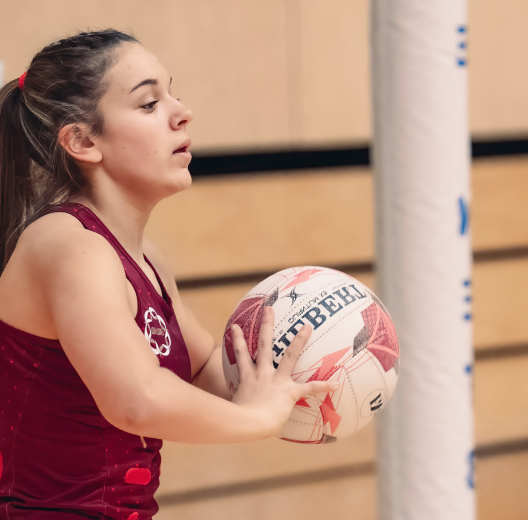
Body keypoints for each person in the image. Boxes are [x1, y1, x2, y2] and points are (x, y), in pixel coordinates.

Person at [0, 29, 338, 519]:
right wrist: (257, 420)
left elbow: (206, 373)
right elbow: (137, 399)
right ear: (82, 140)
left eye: (173, 93)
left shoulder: (147, 259)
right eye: (149, 103)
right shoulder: (68, 244)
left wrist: (304, 391)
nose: (182, 112)